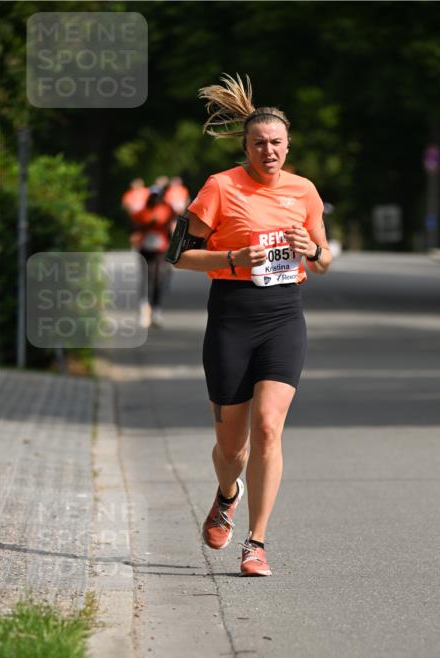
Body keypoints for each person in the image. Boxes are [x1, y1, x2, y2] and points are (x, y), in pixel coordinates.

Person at [170, 73, 332, 577]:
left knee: (268, 427)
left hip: (284, 315)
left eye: (277, 143)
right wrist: (234, 256)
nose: (269, 151)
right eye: (260, 143)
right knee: (231, 448)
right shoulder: (220, 187)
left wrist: (315, 251)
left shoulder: (304, 191)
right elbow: (179, 254)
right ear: (246, 145)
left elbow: (324, 260)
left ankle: (256, 543)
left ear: (289, 146)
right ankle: (226, 494)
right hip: (232, 315)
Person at [132, 186, 175, 327]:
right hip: (145, 247)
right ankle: (144, 309)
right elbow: (134, 228)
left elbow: (171, 227)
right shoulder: (142, 211)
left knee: (159, 277)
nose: (155, 199)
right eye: (153, 196)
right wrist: (148, 224)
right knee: (146, 278)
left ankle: (156, 310)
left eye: (157, 196)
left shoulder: (167, 209)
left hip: (160, 248)